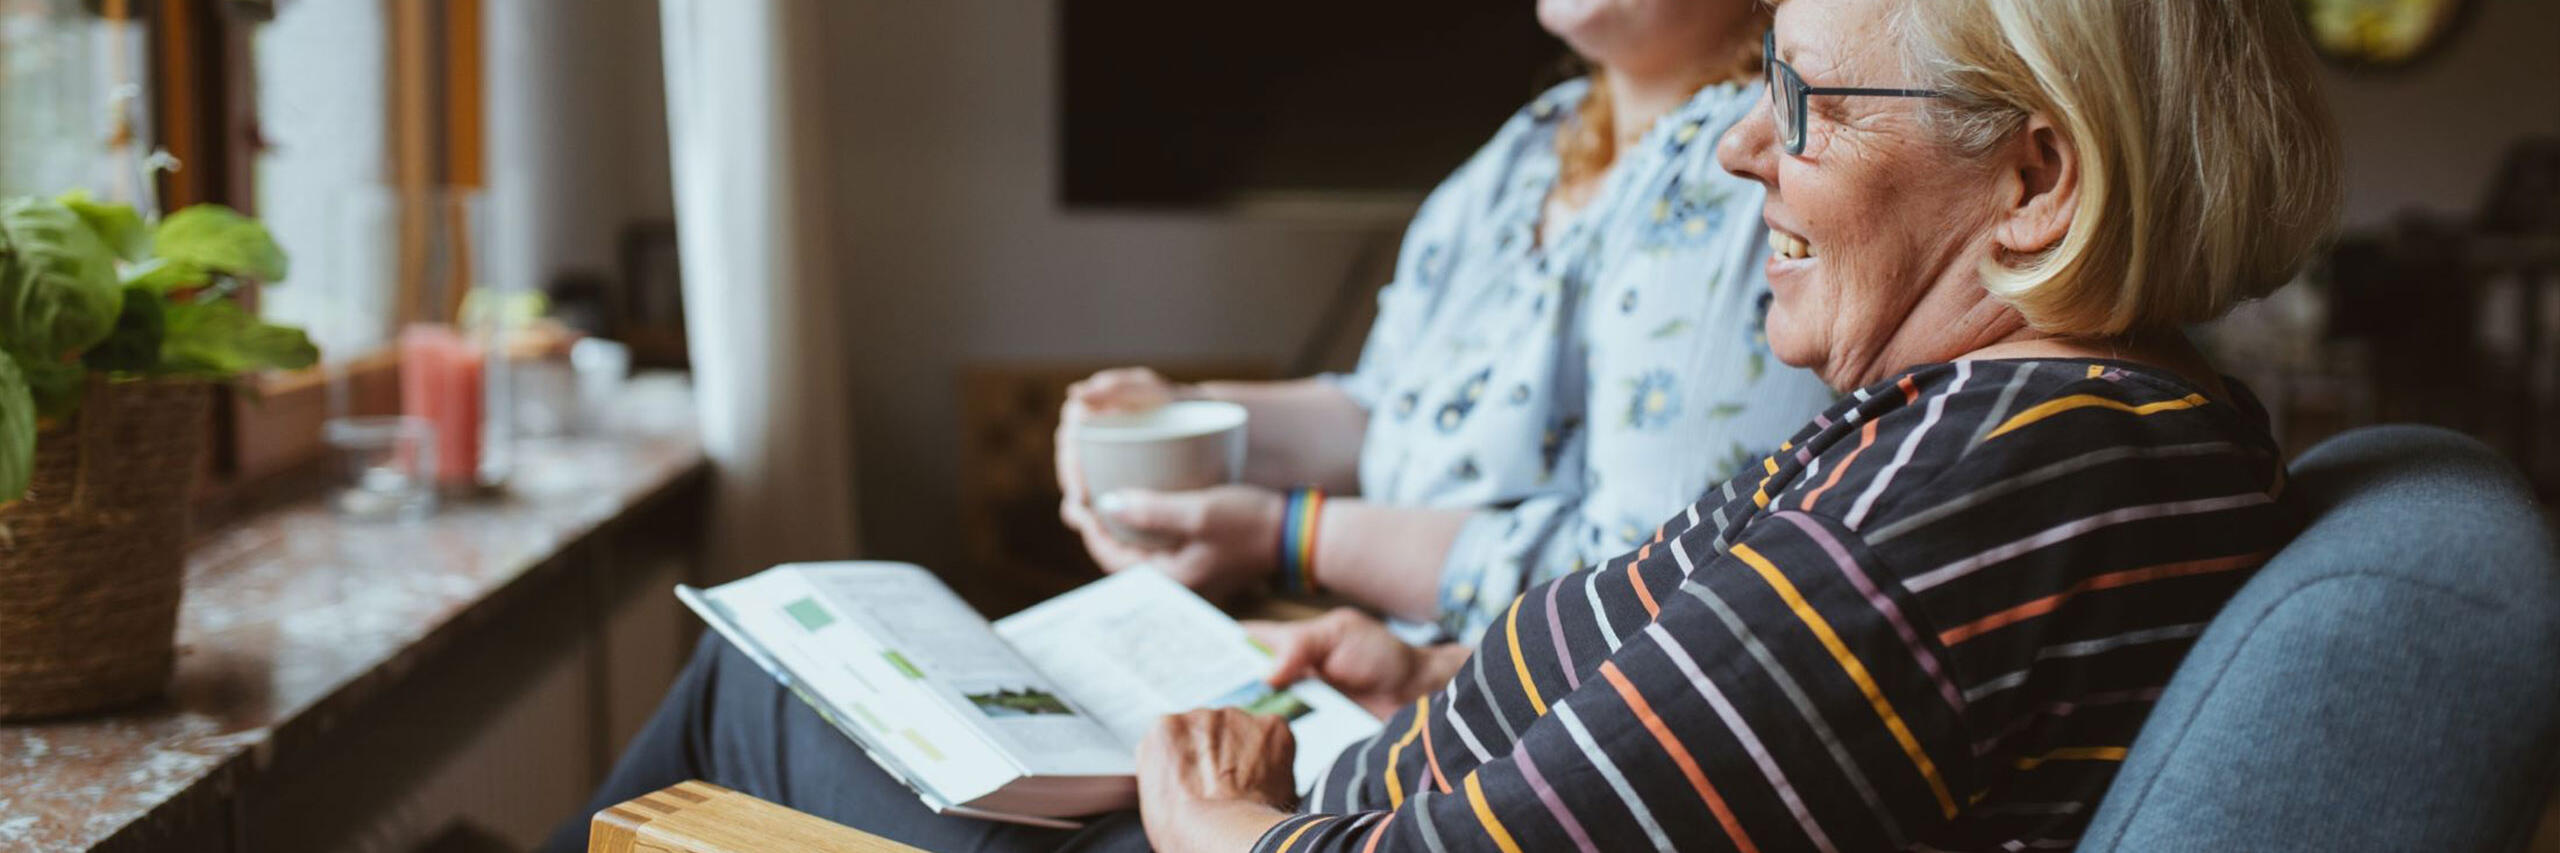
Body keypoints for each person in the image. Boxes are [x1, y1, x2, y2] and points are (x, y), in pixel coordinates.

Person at [543, 0, 2341, 847]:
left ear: (2033, 180)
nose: (1740, 150)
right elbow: (1715, 720)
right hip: (1348, 767)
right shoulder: (2029, 425)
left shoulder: (2003, 470)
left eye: (1798, 101)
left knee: (762, 673)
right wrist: (1427, 684)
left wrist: (1224, 833)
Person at [1056, 0, 1837, 645]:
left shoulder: (1745, 170)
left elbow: (1634, 580)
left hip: (1513, 734)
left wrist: (1290, 535)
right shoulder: (1536, 145)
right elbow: (1392, 413)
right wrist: (1171, 419)